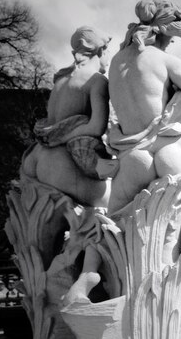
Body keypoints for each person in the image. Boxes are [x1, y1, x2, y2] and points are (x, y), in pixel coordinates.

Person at [64, 0, 181, 304]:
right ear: (167, 35)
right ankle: (158, 305)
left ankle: (88, 280)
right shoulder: (163, 61)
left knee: (112, 227)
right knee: (168, 239)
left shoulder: (117, 64)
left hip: (132, 156)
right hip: (171, 150)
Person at [21, 26, 113, 207]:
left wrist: (54, 136)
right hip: (63, 162)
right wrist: (62, 136)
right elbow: (96, 127)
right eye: (109, 50)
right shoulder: (96, 81)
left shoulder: (60, 80)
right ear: (101, 50)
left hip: (36, 157)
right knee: (120, 201)